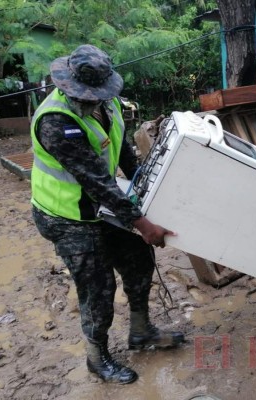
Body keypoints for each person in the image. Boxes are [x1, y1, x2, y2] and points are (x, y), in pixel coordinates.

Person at [30, 44, 185, 384]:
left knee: (139, 261)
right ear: (68, 85)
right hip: (67, 216)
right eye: (85, 95)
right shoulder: (57, 121)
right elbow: (97, 181)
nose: (91, 100)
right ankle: (96, 358)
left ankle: (141, 332)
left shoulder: (108, 102)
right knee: (98, 288)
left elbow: (124, 153)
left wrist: (145, 187)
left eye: (96, 95)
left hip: (103, 207)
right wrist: (142, 222)